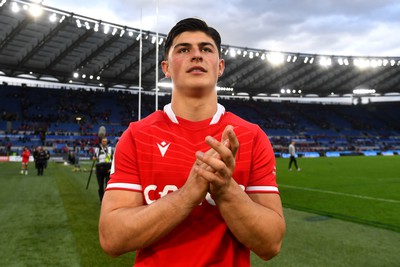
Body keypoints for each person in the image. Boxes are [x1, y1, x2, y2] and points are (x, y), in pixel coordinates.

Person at [99, 18, 285, 266]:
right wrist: (187, 195)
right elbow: (112, 238)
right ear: (166, 67)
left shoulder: (250, 136)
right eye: (184, 49)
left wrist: (225, 189)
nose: (196, 55)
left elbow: (270, 244)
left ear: (220, 67)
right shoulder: (137, 135)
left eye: (206, 49)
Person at [93, 137, 113, 203]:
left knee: (107, 185)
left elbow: (113, 158)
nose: (104, 142)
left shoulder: (110, 149)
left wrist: (111, 168)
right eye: (103, 141)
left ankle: (107, 200)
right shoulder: (97, 149)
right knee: (100, 185)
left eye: (105, 141)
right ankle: (101, 200)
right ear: (101, 142)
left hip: (108, 167)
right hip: (99, 167)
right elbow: (94, 157)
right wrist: (94, 158)